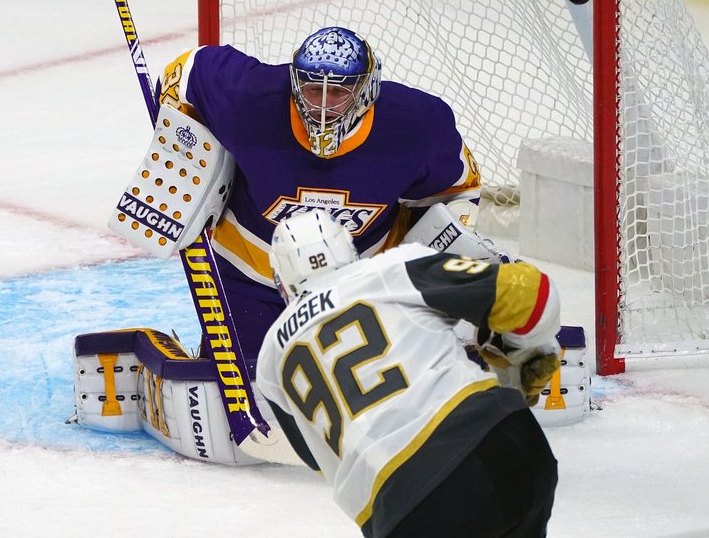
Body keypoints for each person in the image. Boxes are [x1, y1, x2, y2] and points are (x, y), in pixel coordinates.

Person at [156, 26, 483, 367]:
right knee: (243, 381)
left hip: (364, 281)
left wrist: (435, 271)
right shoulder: (248, 97)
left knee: (377, 385)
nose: (323, 106)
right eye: (313, 90)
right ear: (295, 82)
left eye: (339, 92)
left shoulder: (416, 124)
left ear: (366, 89)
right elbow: (185, 72)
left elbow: (457, 191)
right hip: (250, 272)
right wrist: (185, 150)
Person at [257, 209, 560, 538]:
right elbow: (533, 294)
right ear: (349, 249)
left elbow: (316, 458)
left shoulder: (271, 357)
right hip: (510, 445)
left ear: (281, 280)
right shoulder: (391, 267)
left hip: (413, 503)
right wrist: (520, 354)